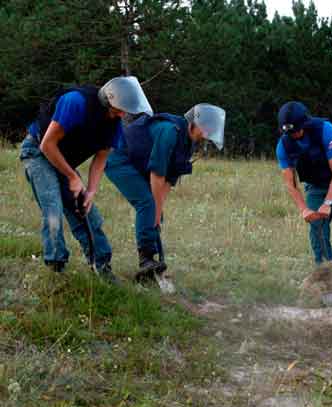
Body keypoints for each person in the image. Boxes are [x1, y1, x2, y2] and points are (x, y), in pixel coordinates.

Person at [20, 76, 153, 282]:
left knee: (87, 212)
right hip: (38, 152)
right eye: (119, 109)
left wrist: (90, 191)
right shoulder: (76, 102)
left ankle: (102, 267)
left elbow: (100, 160)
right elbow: (47, 145)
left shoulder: (114, 124)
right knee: (53, 207)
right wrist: (73, 177)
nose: (122, 114)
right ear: (108, 100)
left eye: (125, 110)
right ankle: (56, 268)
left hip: (63, 161)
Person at [105, 103, 226, 280]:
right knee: (147, 204)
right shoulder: (170, 131)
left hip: (140, 164)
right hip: (120, 159)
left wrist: (159, 211)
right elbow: (157, 174)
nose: (207, 135)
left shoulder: (188, 143)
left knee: (155, 211)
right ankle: (146, 260)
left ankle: (152, 265)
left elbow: (169, 180)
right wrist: (155, 209)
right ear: (195, 123)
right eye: (206, 129)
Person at [276, 101, 332, 298]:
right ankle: (327, 277)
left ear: (305, 123)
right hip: (315, 185)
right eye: (290, 133)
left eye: (297, 130)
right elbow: (291, 183)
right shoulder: (283, 146)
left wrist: (328, 202)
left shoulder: (325, 130)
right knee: (317, 230)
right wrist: (304, 209)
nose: (295, 135)